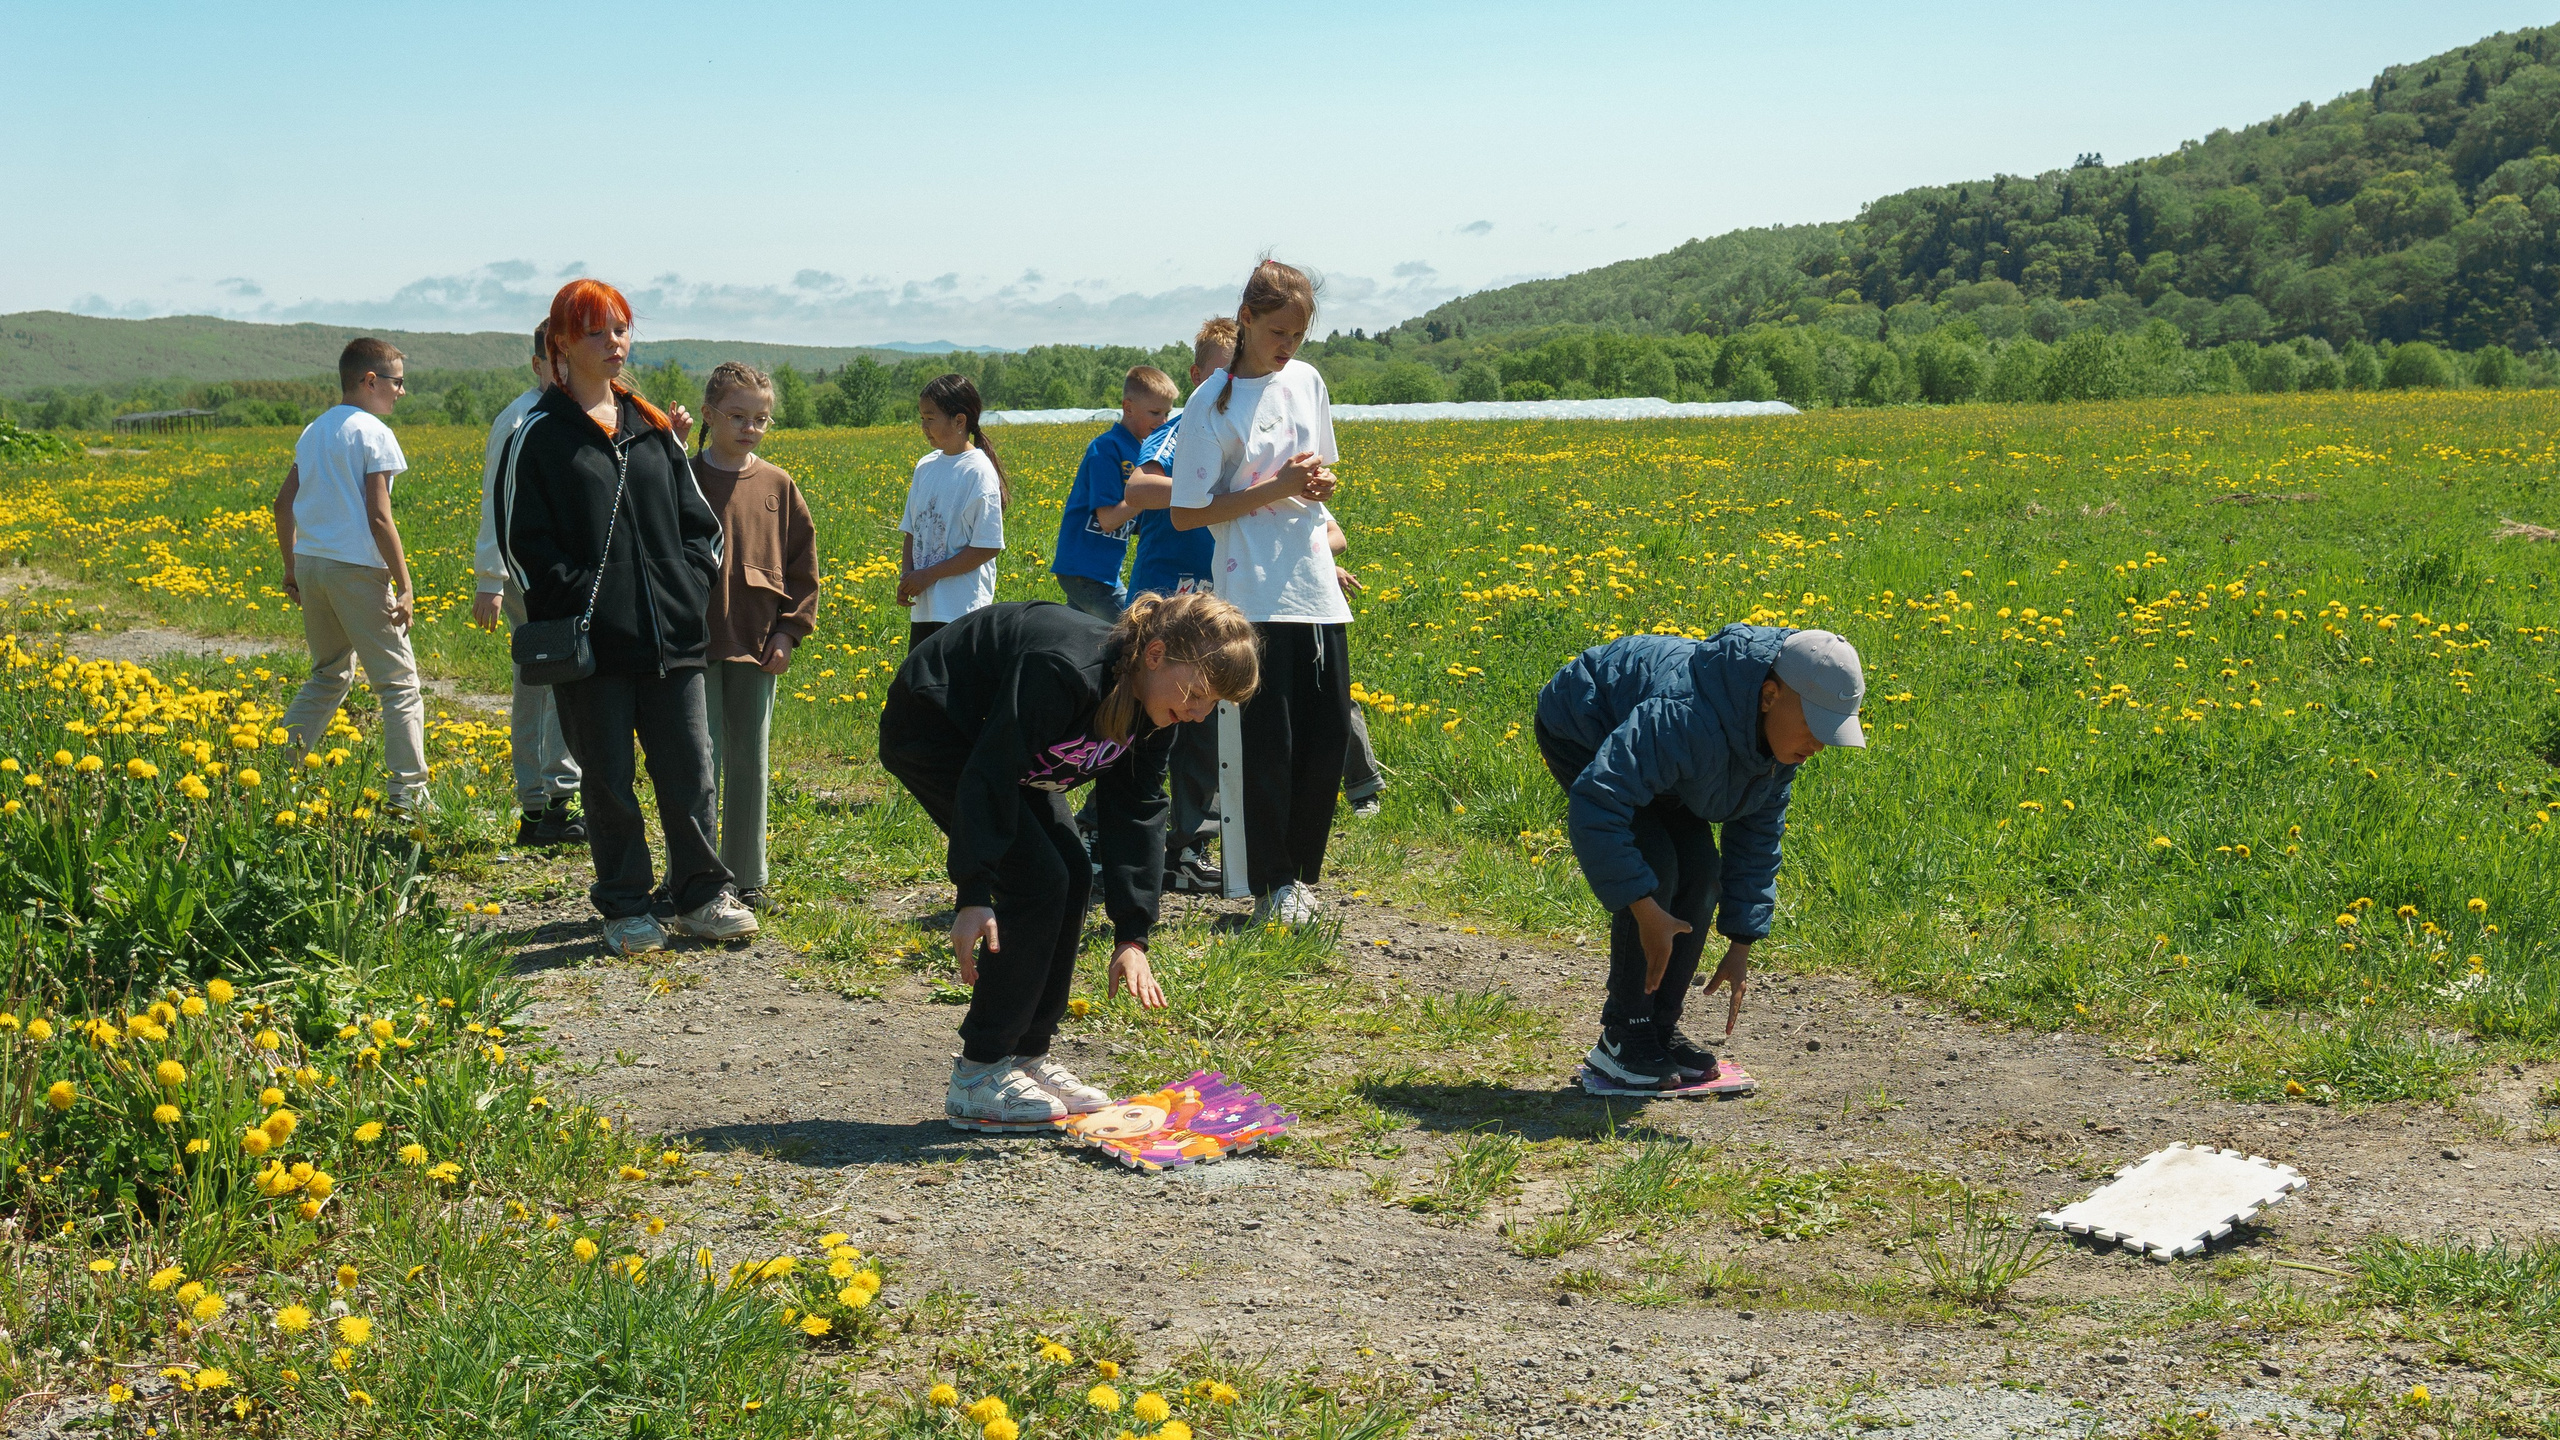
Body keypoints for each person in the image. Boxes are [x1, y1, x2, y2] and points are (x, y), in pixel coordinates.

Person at [878, 593, 1259, 1129]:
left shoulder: (1156, 708)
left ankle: (1026, 1057)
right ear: (1154, 655)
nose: (1198, 713)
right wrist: (975, 891)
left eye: (1210, 704)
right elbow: (991, 771)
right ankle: (979, 1072)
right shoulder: (1064, 671)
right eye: (1196, 694)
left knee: (1073, 874)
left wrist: (1132, 934)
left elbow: (1136, 810)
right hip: (938, 729)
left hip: (1006, 750)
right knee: (1036, 880)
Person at [495, 278, 757, 957]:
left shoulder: (651, 428)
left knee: (690, 771)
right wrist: (584, 600)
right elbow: (522, 546)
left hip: (673, 639)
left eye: (621, 328)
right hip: (593, 649)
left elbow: (700, 526)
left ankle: (700, 895)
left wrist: (686, 588)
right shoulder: (537, 436)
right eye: (596, 331)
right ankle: (626, 905)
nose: (615, 342)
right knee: (608, 781)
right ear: (561, 343)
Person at [1533, 624, 1867, 1092]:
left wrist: (1741, 943)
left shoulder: (1778, 749)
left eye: (1831, 731)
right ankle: (1622, 1035)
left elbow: (1756, 837)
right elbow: (1599, 801)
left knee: (1702, 871)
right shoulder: (1684, 716)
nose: (1819, 745)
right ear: (1769, 696)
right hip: (1583, 724)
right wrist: (1644, 909)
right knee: (1656, 868)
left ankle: (1659, 1028)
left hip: (1662, 758)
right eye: (1814, 724)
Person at [1168, 259, 1352, 927]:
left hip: (1315, 587)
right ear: (1246, 319)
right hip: (1252, 595)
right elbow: (1186, 512)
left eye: (1299, 335)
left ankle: (1298, 877)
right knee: (1266, 745)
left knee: (1326, 737)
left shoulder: (1306, 381)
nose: (1288, 346)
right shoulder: (1209, 405)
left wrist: (1319, 485)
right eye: (1278, 332)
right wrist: (1277, 488)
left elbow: (1318, 472)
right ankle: (1270, 881)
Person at [273, 338, 431, 814]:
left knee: (328, 675)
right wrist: (405, 585)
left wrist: (292, 567)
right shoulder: (374, 432)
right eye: (397, 382)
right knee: (399, 686)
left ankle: (278, 772)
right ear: (370, 381)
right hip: (356, 570)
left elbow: (282, 504)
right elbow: (379, 516)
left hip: (313, 564)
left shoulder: (314, 430)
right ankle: (409, 795)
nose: (401, 391)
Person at [691, 362, 820, 911]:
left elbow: (802, 567)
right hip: (691, 647)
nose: (750, 428)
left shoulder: (777, 485)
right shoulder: (681, 477)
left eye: (761, 419)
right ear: (709, 414)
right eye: (738, 416)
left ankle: (747, 877)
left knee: (749, 762)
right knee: (695, 764)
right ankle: (693, 876)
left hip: (757, 643)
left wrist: (789, 632)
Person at [1119, 319, 1236, 891]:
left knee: (1203, 729)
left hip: (1216, 608)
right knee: (1141, 724)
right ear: (1196, 377)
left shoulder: (1246, 439)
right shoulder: (1182, 428)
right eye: (1221, 375)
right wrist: (1219, 498)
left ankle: (1186, 848)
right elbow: (1139, 489)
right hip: (1166, 602)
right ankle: (1108, 836)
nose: (1233, 387)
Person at [471, 321, 583, 847]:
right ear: (538, 364)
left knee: (558, 680)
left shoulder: (569, 413)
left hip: (561, 572)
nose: (565, 371)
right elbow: (495, 502)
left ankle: (552, 801)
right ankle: (545, 804)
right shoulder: (519, 420)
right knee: (543, 681)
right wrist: (490, 578)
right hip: (527, 575)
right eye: (556, 362)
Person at [1050, 366, 1176, 621]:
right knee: (1134, 629)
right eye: (1155, 413)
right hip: (1086, 570)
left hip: (1100, 571)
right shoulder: (1106, 448)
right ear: (1128, 407)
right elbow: (1108, 519)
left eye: (1167, 413)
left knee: (1085, 636)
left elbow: (1137, 521)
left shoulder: (1141, 452)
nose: (1163, 421)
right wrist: (1146, 494)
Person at [897, 373, 1006, 649]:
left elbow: (987, 547)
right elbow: (911, 530)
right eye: (921, 418)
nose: (923, 426)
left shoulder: (978, 472)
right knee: (919, 677)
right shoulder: (925, 467)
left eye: (930, 418)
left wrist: (928, 575)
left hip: (962, 609)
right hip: (925, 607)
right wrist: (907, 576)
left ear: (959, 421)